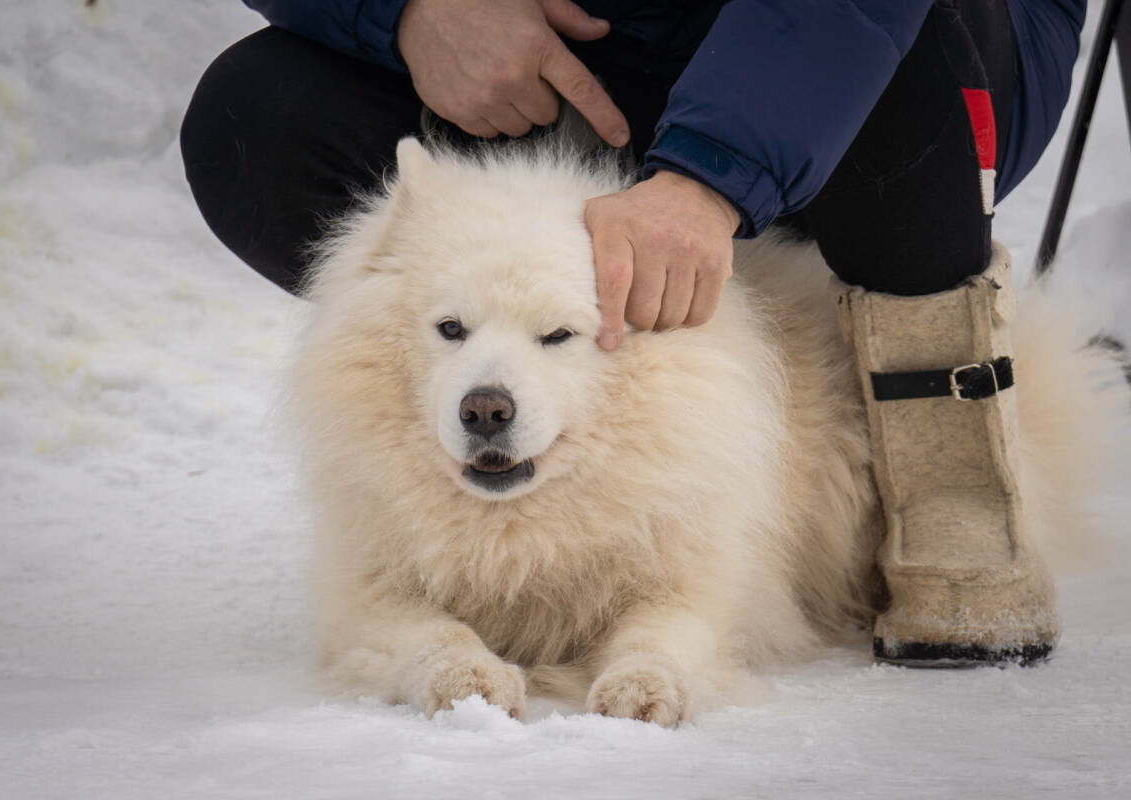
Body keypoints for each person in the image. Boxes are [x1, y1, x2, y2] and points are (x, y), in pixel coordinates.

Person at [180, 0, 1085, 665]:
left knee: (898, 48)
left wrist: (708, 177)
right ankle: (491, 483)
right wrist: (408, 13)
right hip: (576, 43)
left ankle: (948, 479)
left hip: (888, 43)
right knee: (254, 110)